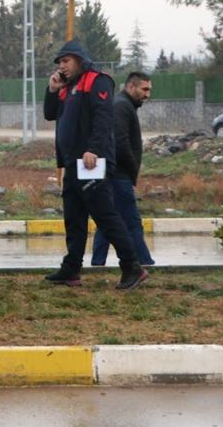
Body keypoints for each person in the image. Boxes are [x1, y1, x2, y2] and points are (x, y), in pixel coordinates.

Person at [43, 41, 148, 290]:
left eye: (65, 61)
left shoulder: (97, 80)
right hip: (71, 163)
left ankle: (132, 267)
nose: (62, 66)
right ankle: (71, 269)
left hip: (91, 161)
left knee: (104, 214)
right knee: (74, 216)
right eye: (59, 63)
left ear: (79, 59)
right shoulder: (68, 87)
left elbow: (104, 118)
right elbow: (50, 114)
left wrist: (94, 149)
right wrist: (51, 89)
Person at [91, 72, 155, 267]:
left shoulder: (124, 105)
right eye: (144, 89)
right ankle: (145, 262)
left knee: (108, 221)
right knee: (132, 222)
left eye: (149, 90)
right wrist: (132, 168)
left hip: (115, 175)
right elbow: (120, 142)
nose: (147, 94)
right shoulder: (121, 106)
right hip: (118, 176)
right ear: (130, 87)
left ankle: (97, 264)